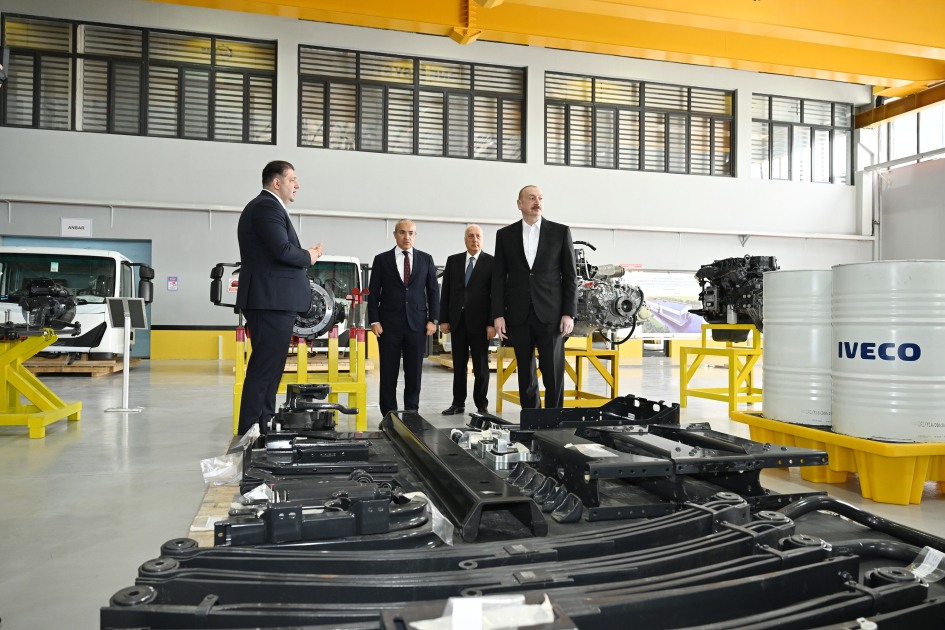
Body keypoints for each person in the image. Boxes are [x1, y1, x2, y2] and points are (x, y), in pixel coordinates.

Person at [236, 160, 323, 435]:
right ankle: (250, 431)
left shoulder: (269, 207)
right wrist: (309, 255)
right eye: (292, 179)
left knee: (271, 369)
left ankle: (263, 427)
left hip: (273, 301)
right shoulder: (266, 207)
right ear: (277, 182)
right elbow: (282, 250)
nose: (297, 185)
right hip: (269, 301)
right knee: (264, 370)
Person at [491, 185, 577, 409]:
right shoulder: (505, 235)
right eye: (531, 198)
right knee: (525, 372)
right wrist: (498, 315)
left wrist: (569, 313)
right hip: (518, 313)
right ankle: (531, 418)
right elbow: (498, 278)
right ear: (519, 204)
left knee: (553, 371)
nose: (537, 202)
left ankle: (554, 419)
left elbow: (570, 277)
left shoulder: (560, 232)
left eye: (540, 198)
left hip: (551, 313)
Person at [368, 219, 440, 418]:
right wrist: (374, 320)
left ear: (415, 235)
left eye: (411, 233)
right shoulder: (381, 260)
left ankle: (411, 413)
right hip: (388, 325)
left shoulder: (426, 259)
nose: (407, 237)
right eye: (402, 232)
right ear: (395, 234)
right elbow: (373, 293)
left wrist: (433, 320)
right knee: (388, 372)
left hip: (417, 324)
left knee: (414, 372)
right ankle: (388, 415)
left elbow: (433, 292)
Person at [439, 225, 495, 415]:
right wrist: (444, 319)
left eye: (478, 236)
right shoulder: (453, 261)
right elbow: (446, 292)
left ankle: (481, 405)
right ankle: (458, 403)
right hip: (458, 321)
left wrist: (491, 323)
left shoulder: (491, 263)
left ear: (483, 239)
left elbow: (495, 295)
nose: (474, 239)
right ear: (465, 239)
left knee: (481, 367)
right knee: (459, 364)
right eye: (470, 236)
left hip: (481, 324)